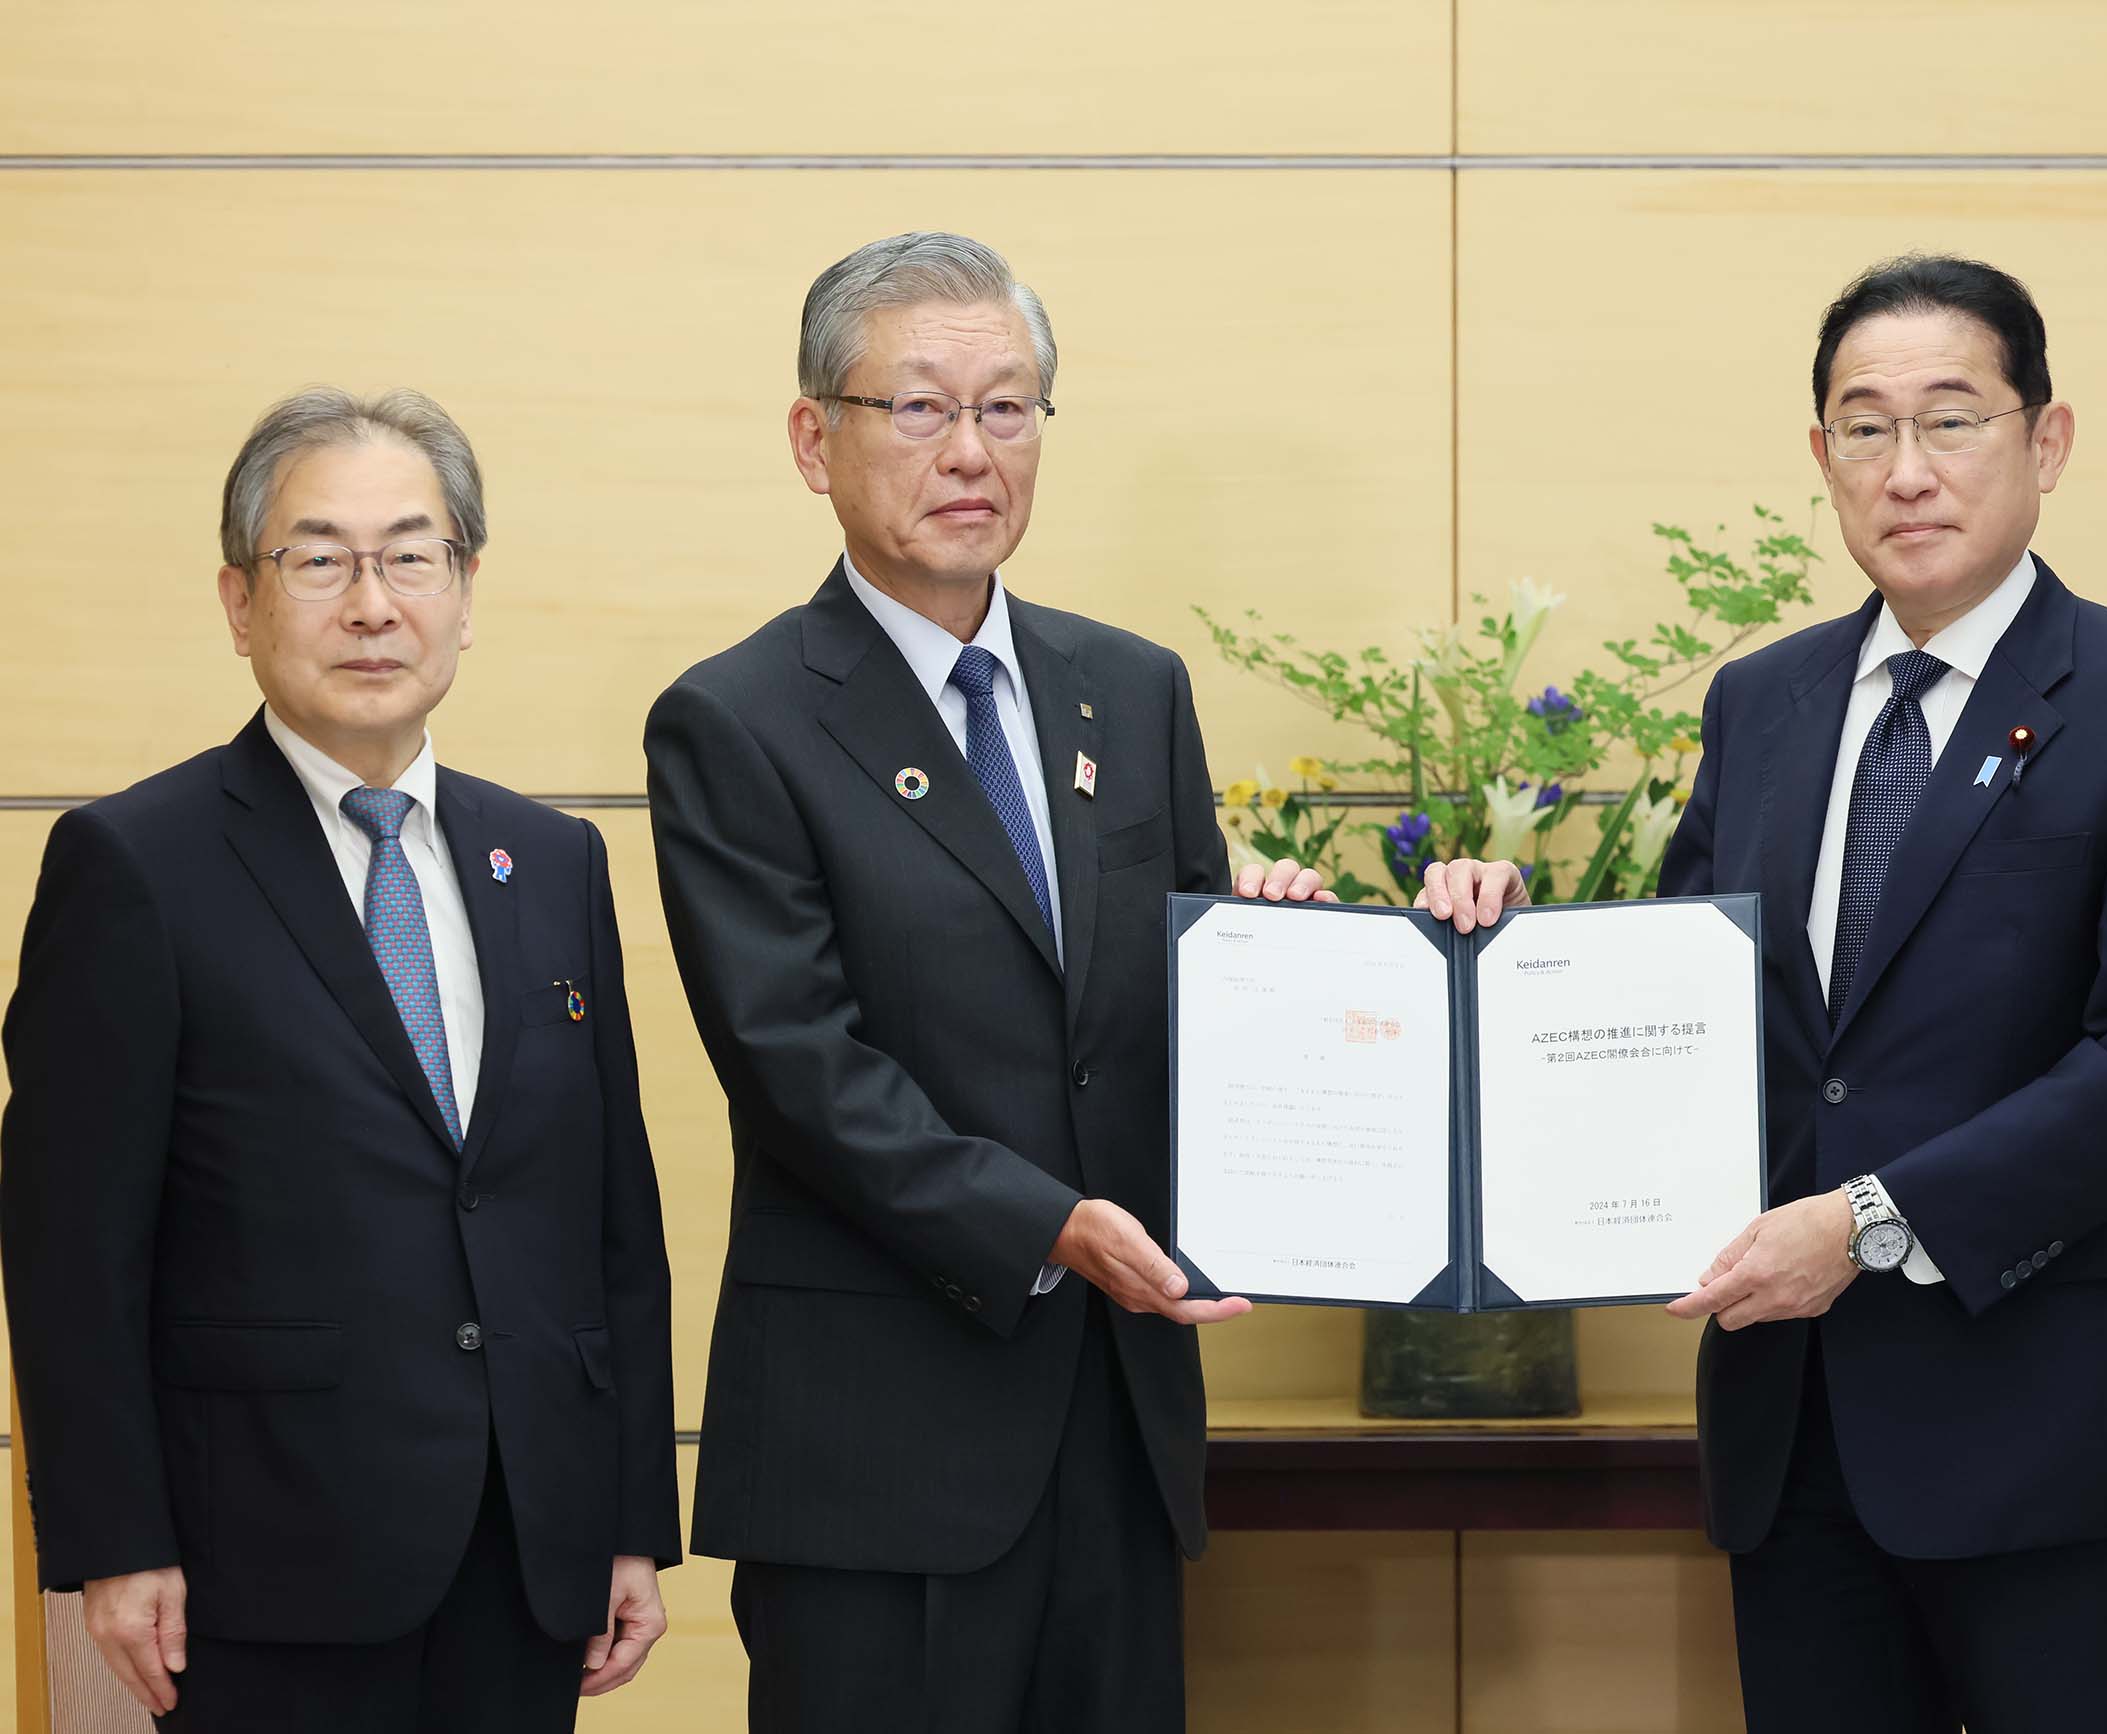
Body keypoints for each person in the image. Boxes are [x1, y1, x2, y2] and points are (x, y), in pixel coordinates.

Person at [1420, 255, 2107, 1731]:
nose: (1907, 469)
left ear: (2047, 441)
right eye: (1866, 428)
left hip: (2044, 1419)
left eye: (1952, 419)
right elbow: (1687, 1002)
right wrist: (1505, 949)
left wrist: (1871, 1223)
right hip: (1796, 1425)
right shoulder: (1765, 701)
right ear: (1823, 458)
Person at [646, 231, 1313, 1734]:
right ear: (814, 440)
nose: (970, 451)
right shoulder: (737, 720)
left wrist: (1274, 956)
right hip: (878, 1450)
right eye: (919, 407)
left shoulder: (1131, 689)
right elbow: (800, 1066)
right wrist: (1048, 1225)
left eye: (1008, 408)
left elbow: (1167, 1003)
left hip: (1117, 1423)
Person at [1, 388, 679, 1730]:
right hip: (261, 1556)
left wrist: (628, 1517)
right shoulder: (134, 865)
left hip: (526, 1546)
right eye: (319, 560)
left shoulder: (554, 860)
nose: (373, 605)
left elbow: (611, 1219)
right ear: (239, 602)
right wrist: (114, 1538)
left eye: (411, 556)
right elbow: (68, 1243)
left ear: (465, 591)